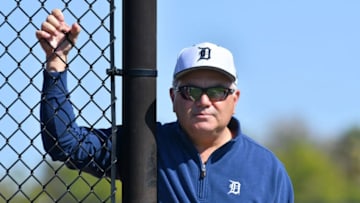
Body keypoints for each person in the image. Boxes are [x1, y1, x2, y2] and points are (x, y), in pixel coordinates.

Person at [36, 9, 294, 202]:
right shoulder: (147, 144)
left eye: (217, 91)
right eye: (190, 91)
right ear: (172, 98)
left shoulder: (266, 170)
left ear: (234, 100)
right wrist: (56, 63)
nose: (204, 101)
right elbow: (66, 144)